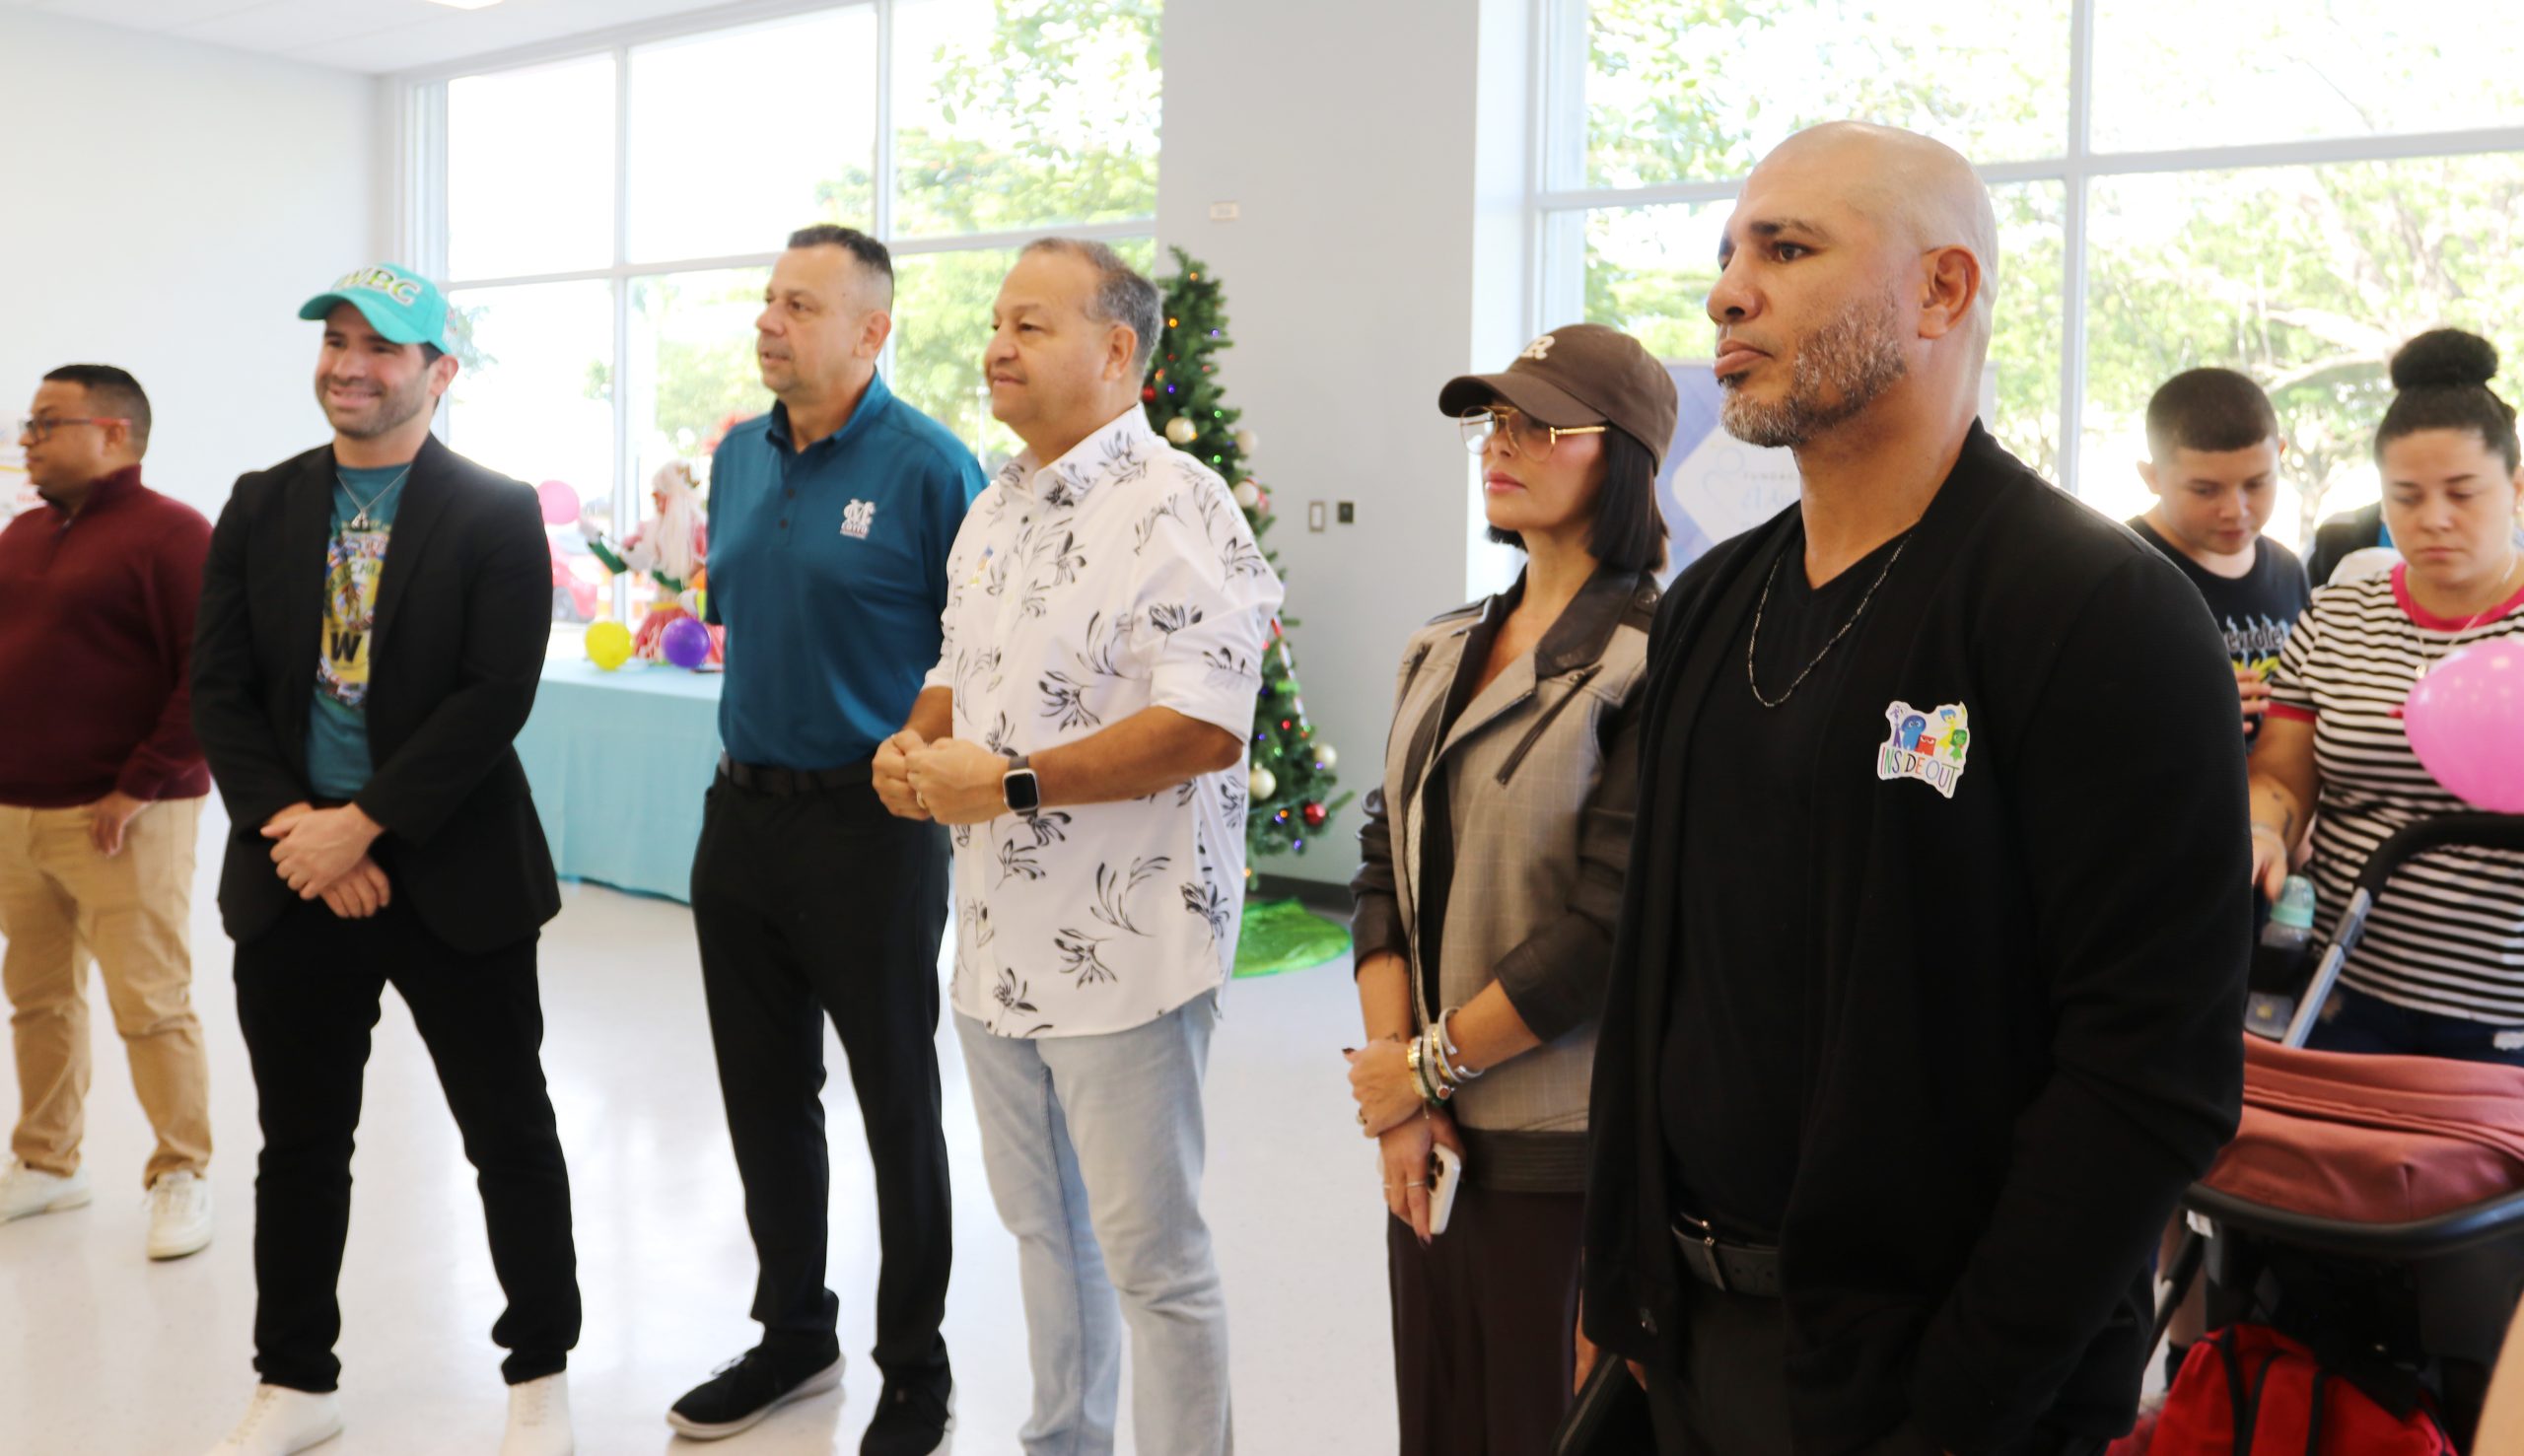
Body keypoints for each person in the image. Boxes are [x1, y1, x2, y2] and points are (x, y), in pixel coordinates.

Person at [1577, 121, 2250, 1456]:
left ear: (1942, 290)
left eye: (1786, 249)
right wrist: (1622, 1280)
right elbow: (1659, 970)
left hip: (1937, 1384)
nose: (1726, 292)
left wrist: (1955, 1410)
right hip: (1693, 1337)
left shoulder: (2096, 610)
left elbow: (2148, 1076)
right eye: (1728, 252)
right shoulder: (1710, 603)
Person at [876, 238, 1282, 1456]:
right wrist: (916, 741)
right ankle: (1062, 1439)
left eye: (1030, 325)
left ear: (1115, 351)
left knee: (1153, 1260)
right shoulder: (994, 504)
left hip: (1127, 955)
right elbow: (958, 665)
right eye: (997, 322)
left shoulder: (1178, 504)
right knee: (1044, 1232)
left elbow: (1206, 725)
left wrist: (1005, 782)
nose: (996, 345)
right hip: (996, 946)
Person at [191, 263, 579, 1456]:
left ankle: (539, 1373)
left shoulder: (494, 511)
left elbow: (492, 695)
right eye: (336, 342)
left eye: (381, 348)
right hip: (294, 873)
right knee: (301, 1144)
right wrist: (297, 828)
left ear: (438, 372)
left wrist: (363, 824)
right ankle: (295, 1379)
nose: (349, 366)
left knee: (506, 1132)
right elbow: (220, 687)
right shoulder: (261, 502)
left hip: (454, 872)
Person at [670, 224, 984, 1456]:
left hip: (874, 826)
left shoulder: (931, 467)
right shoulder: (736, 457)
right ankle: (794, 1332)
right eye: (768, 299)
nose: (769, 321)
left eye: (799, 305)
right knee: (762, 1095)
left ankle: (916, 1367)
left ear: (871, 331)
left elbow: (978, 657)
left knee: (896, 1101)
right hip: (741, 816)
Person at [1347, 322, 1670, 1454]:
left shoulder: (1654, 657)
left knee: (1543, 1428)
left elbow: (1606, 923)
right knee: (1438, 1419)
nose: (1502, 444)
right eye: (1494, 423)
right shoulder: (1440, 645)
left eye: (1541, 426)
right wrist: (1399, 1089)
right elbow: (1384, 861)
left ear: (1622, 455)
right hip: (1429, 1136)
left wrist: (1425, 1067)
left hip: (1557, 1146)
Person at [2250, 328, 2524, 1062]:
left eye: (2462, 493)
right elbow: (2280, 776)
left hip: (2506, 1012)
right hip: (2340, 987)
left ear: (2517, 487)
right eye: (2406, 495)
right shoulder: (2339, 614)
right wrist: (2263, 830)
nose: (2433, 517)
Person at [0, 365, 216, 1260]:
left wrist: (138, 784)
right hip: (20, 812)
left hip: (128, 816)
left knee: (151, 1002)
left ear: (114, 432)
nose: (27, 440)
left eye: (47, 423)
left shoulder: (175, 534)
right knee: (37, 998)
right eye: (28, 424)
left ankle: (181, 1172)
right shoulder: (22, 534)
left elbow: (210, 677)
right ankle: (49, 1162)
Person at [2125, 369, 2311, 747]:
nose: (2235, 511)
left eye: (2256, 484)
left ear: (2279, 456)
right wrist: (2179, 713)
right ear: (2152, 477)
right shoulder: (2117, 575)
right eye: (2205, 490)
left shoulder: (2288, 571)